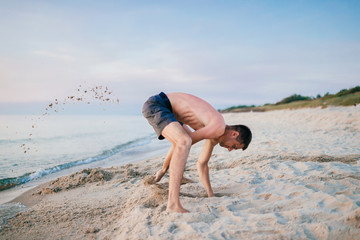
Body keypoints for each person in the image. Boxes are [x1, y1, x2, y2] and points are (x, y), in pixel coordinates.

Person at [142, 92, 252, 213]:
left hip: (170, 113)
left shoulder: (215, 135)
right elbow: (183, 143)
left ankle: (178, 178)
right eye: (234, 146)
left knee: (184, 140)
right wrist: (163, 170)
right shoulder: (218, 127)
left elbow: (202, 164)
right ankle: (173, 204)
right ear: (234, 134)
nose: (230, 149)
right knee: (184, 141)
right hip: (159, 104)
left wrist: (210, 193)